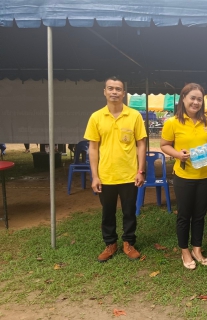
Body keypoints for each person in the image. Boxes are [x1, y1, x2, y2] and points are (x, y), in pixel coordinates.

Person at [84, 76, 147, 262]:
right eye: (110, 88)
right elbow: (93, 148)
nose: (114, 92)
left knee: (129, 211)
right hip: (106, 175)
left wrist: (140, 171)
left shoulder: (134, 116)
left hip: (129, 175)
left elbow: (141, 144)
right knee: (107, 212)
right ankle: (110, 244)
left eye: (118, 89)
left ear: (124, 93)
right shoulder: (96, 117)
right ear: (104, 91)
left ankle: (129, 242)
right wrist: (95, 176)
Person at [160, 83, 207, 270]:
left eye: (199, 99)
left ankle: (197, 248)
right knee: (184, 215)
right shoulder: (173, 122)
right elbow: (164, 144)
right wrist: (178, 154)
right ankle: (184, 250)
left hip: (205, 173)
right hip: (184, 175)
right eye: (192, 98)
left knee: (200, 214)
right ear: (184, 99)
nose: (196, 102)